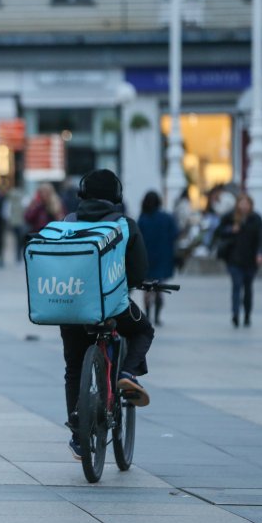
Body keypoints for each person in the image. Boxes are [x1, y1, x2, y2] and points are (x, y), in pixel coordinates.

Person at [59, 169, 153, 461]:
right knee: (142, 330)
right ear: (117, 196)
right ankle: (126, 374)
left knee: (74, 367)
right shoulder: (125, 225)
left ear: (82, 195)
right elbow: (138, 273)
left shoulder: (67, 223)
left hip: (72, 307)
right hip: (111, 306)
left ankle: (77, 431)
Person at [214, 193, 262, 328]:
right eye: (241, 203)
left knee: (248, 288)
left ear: (250, 205)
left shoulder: (256, 219)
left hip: (250, 260)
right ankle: (235, 314)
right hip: (234, 259)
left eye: (246, 203)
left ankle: (247, 314)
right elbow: (218, 232)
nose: (243, 206)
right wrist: (231, 229)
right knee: (236, 286)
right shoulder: (230, 217)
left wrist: (260, 253)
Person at [137, 191, 178, 326]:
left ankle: (147, 315)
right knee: (159, 288)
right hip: (163, 258)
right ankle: (157, 316)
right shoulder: (166, 218)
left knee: (147, 289)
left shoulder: (142, 219)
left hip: (146, 257)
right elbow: (175, 235)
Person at [5, 182, 28, 263]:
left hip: (14, 223)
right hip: (21, 222)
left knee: (17, 239)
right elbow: (27, 209)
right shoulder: (23, 198)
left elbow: (6, 213)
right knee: (21, 239)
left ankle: (17, 255)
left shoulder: (10, 200)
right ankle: (20, 255)